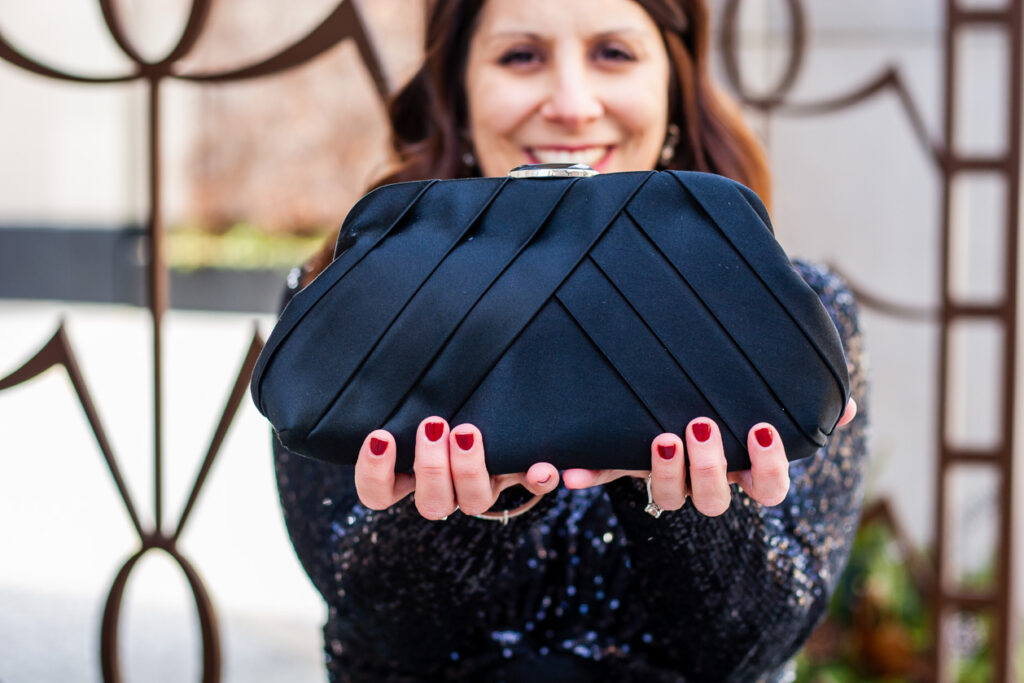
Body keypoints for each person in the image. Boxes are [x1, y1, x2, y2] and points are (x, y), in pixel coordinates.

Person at [274, 0, 868, 681]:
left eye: (613, 52)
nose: (572, 104)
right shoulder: (347, 296)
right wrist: (458, 515)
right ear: (457, 91)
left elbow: (759, 643)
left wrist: (696, 516)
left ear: (673, 86)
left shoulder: (792, 312)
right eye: (521, 55)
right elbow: (375, 622)